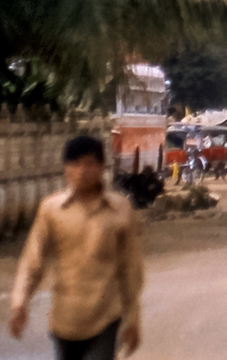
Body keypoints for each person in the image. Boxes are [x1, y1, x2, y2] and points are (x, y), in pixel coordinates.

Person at [9, 135, 144, 360]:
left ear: (101, 167)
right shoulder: (51, 210)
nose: (82, 170)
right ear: (65, 168)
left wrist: (132, 319)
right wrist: (20, 302)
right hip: (64, 323)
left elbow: (130, 270)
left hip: (105, 319)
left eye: (90, 163)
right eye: (75, 164)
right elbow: (32, 261)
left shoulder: (120, 210)